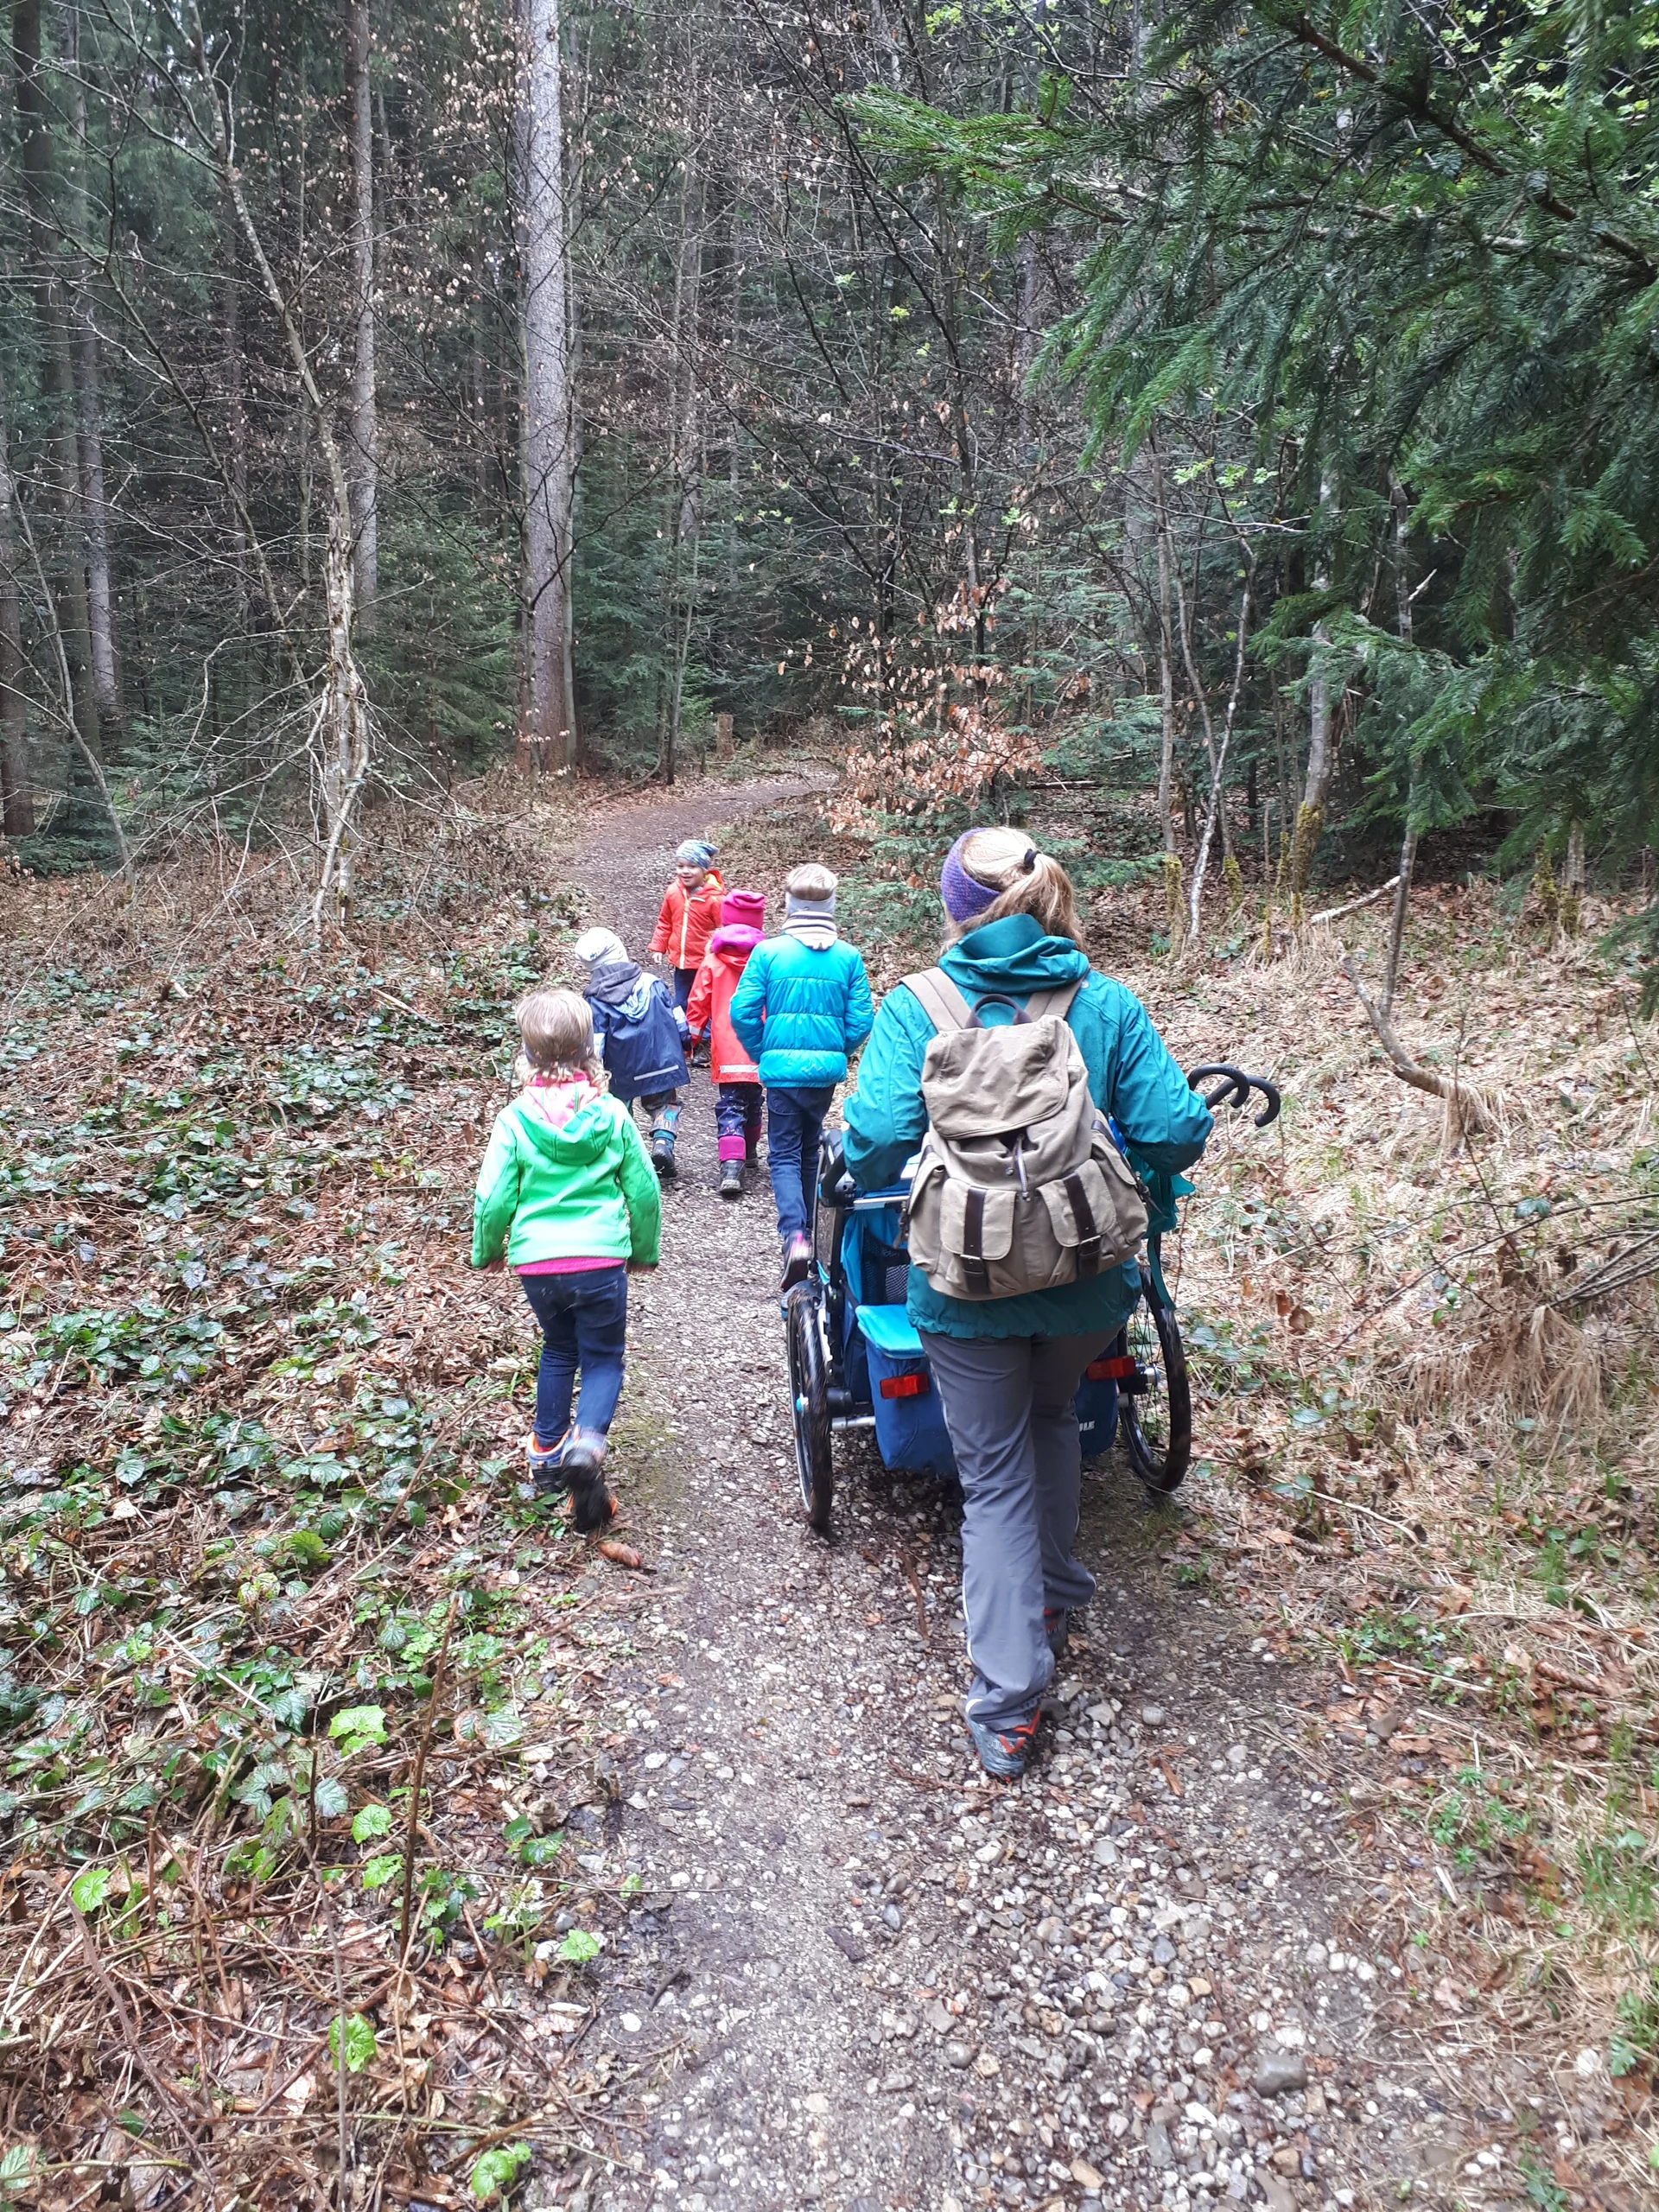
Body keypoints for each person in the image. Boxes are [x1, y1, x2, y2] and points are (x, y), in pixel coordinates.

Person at [841, 827, 1211, 1780]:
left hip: (967, 1286)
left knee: (994, 1473)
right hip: (1089, 1277)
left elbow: (875, 1139)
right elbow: (1173, 1130)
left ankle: (1009, 1704)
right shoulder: (1105, 1001)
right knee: (1051, 1412)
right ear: (1046, 899)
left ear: (955, 912)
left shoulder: (916, 1006)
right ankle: (1048, 1591)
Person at [471, 988, 661, 1532]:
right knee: (602, 1357)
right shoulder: (613, 1115)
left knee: (557, 1350)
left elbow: (493, 1196)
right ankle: (588, 1446)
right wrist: (644, 1251)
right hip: (600, 1260)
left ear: (527, 1055)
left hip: (539, 1265)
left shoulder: (513, 1120)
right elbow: (644, 1191)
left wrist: (487, 1250)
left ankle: (546, 1457)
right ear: (590, 1050)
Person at [730, 861, 874, 1287]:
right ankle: (814, 1235)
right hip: (823, 1074)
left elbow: (742, 1012)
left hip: (781, 1074)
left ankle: (794, 1236)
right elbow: (861, 1019)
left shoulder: (769, 952)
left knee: (784, 1154)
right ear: (831, 906)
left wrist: (763, 1051)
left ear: (789, 905)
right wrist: (837, 1051)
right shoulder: (847, 957)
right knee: (810, 1149)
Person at [574, 926, 690, 1177]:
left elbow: (595, 1043)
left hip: (621, 1070)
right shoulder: (652, 983)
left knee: (620, 1110)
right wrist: (686, 1041)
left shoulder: (594, 1000)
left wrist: (592, 1073)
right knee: (665, 1105)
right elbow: (678, 1017)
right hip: (662, 1062)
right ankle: (662, 1144)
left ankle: (629, 1156)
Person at [686, 887, 767, 1199]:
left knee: (730, 1105)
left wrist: (690, 1040)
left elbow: (698, 1003)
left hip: (726, 1050)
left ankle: (731, 1165)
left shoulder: (713, 961)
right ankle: (748, 1152)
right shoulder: (766, 960)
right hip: (759, 1049)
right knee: (755, 1102)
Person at [650, 840, 727, 1018]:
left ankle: (706, 1032)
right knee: (682, 999)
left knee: (704, 997)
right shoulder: (673, 892)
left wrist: (718, 952)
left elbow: (723, 929)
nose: (685, 871)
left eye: (692, 866)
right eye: (680, 866)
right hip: (682, 961)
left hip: (705, 960)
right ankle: (684, 1032)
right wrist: (658, 946)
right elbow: (665, 921)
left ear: (704, 870)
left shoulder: (715, 899)